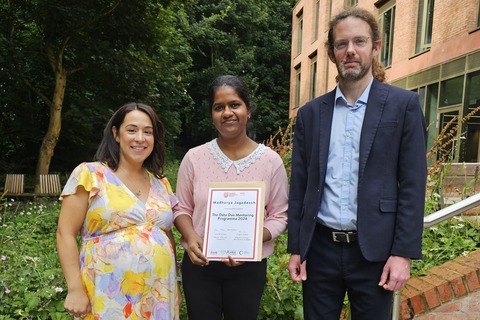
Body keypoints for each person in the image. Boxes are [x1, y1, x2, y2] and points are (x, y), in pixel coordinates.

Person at [287, 8, 427, 320]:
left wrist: (402, 254)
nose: (350, 50)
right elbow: (300, 185)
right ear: (331, 52)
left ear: (376, 47)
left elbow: (413, 186)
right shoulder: (310, 114)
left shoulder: (403, 106)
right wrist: (297, 247)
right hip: (320, 250)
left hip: (375, 253)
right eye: (342, 44)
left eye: (359, 42)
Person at [174, 75, 288, 320]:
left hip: (249, 267)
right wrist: (191, 236)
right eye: (219, 107)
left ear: (248, 109)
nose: (227, 112)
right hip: (200, 264)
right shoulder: (194, 158)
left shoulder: (270, 162)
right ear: (212, 114)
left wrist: (254, 240)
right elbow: (181, 208)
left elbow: (279, 215)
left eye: (234, 104)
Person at [56, 103, 180, 319]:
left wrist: (174, 284)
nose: (140, 138)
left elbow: (167, 237)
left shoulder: (162, 185)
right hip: (107, 295)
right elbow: (64, 233)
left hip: (158, 297)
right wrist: (74, 288)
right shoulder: (91, 174)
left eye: (148, 132)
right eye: (131, 130)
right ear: (116, 134)